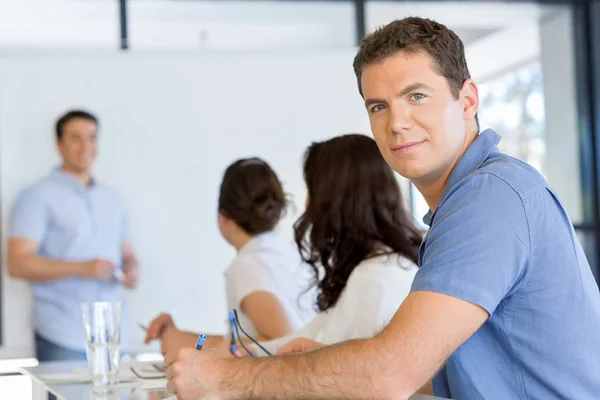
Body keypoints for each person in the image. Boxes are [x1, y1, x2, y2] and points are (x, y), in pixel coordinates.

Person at [163, 17, 600, 400]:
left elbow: (391, 373)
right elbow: (451, 370)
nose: (397, 123)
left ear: (467, 100)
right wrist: (330, 365)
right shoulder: (466, 200)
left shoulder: (489, 196)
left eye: (417, 96)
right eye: (379, 106)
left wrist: (229, 377)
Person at [245, 134, 421, 357]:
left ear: (334, 198)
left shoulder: (375, 279)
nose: (307, 203)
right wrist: (248, 354)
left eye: (311, 189)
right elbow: (311, 335)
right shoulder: (372, 269)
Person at [144, 157, 316, 355]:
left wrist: (191, 344)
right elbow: (235, 340)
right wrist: (184, 337)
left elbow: (283, 342)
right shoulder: (289, 254)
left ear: (223, 216)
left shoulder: (248, 266)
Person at [7, 110, 139, 362]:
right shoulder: (36, 197)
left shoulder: (113, 199)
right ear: (59, 144)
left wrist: (132, 269)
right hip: (63, 335)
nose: (86, 146)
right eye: (76, 138)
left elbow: (127, 254)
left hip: (112, 336)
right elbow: (17, 263)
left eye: (91, 137)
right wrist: (81, 267)